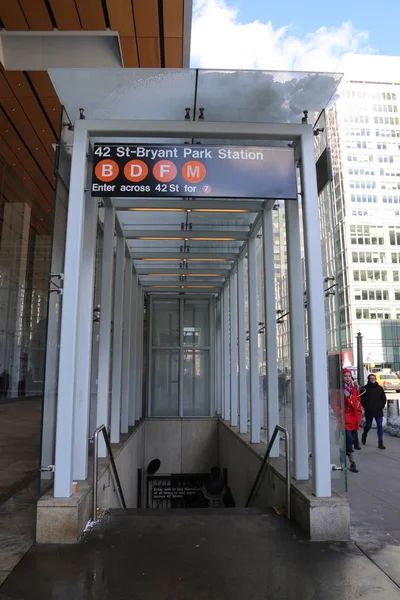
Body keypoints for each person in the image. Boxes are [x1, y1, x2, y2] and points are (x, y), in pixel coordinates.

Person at [343, 368, 363, 473]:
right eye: (345, 376)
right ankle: (352, 462)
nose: (347, 378)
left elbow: (358, 400)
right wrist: (340, 414)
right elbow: (335, 404)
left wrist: (359, 411)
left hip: (354, 418)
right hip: (344, 419)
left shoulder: (355, 387)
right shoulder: (340, 389)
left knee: (349, 440)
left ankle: (343, 452)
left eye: (349, 376)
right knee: (349, 440)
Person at [361, 373, 387, 449]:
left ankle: (380, 443)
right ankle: (364, 435)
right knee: (368, 425)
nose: (372, 380)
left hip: (378, 410)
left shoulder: (379, 388)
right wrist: (366, 407)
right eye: (371, 378)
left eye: (374, 378)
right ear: (368, 379)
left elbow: (383, 398)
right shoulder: (364, 389)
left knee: (380, 426)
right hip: (369, 411)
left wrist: (381, 406)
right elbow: (362, 400)